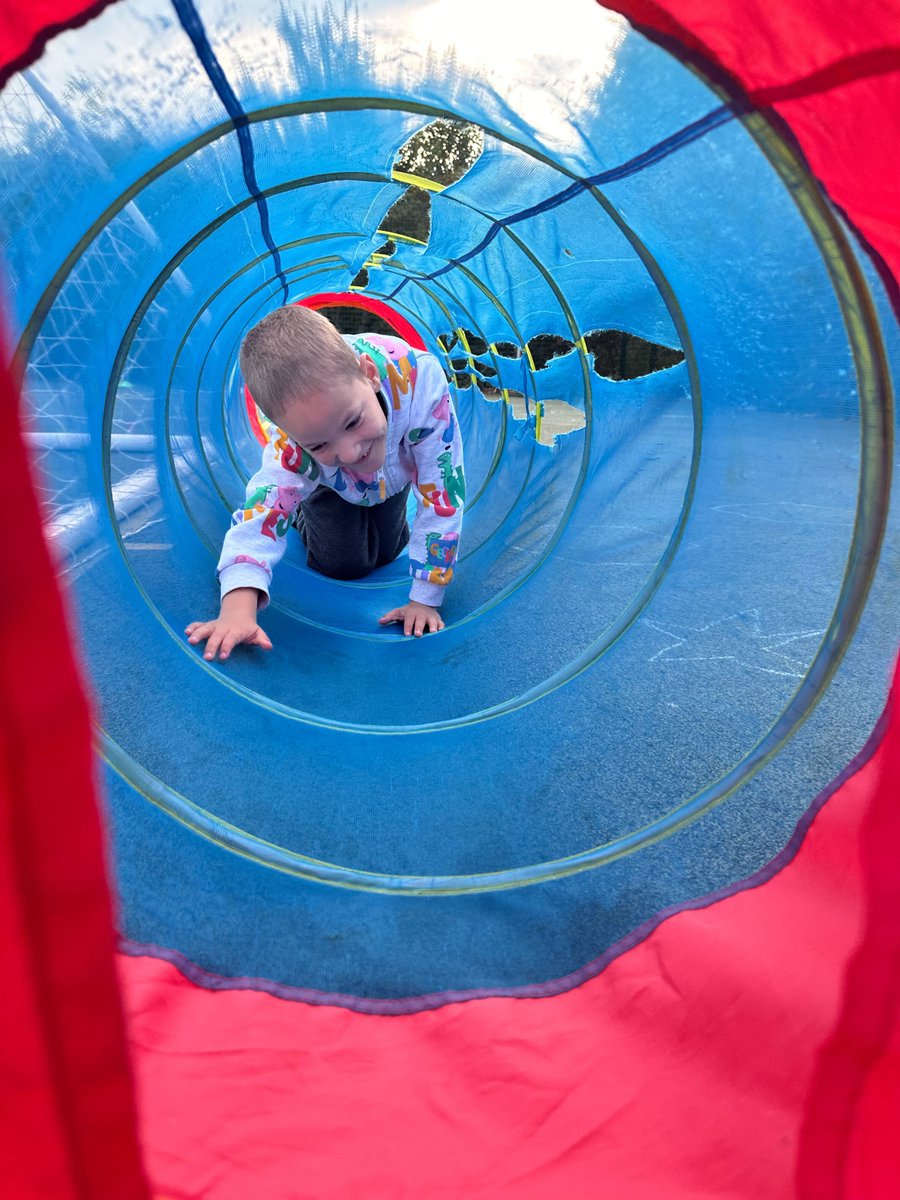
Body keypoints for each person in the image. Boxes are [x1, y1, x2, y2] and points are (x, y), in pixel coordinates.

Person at [185, 305, 465, 661]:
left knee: (388, 551)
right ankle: (307, 509)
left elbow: (442, 488)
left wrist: (425, 599)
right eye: (318, 443)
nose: (348, 453)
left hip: (392, 472)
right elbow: (263, 508)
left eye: (351, 422)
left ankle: (364, 499)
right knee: (345, 565)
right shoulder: (294, 446)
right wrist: (238, 606)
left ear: (368, 375)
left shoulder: (421, 385)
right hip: (330, 485)